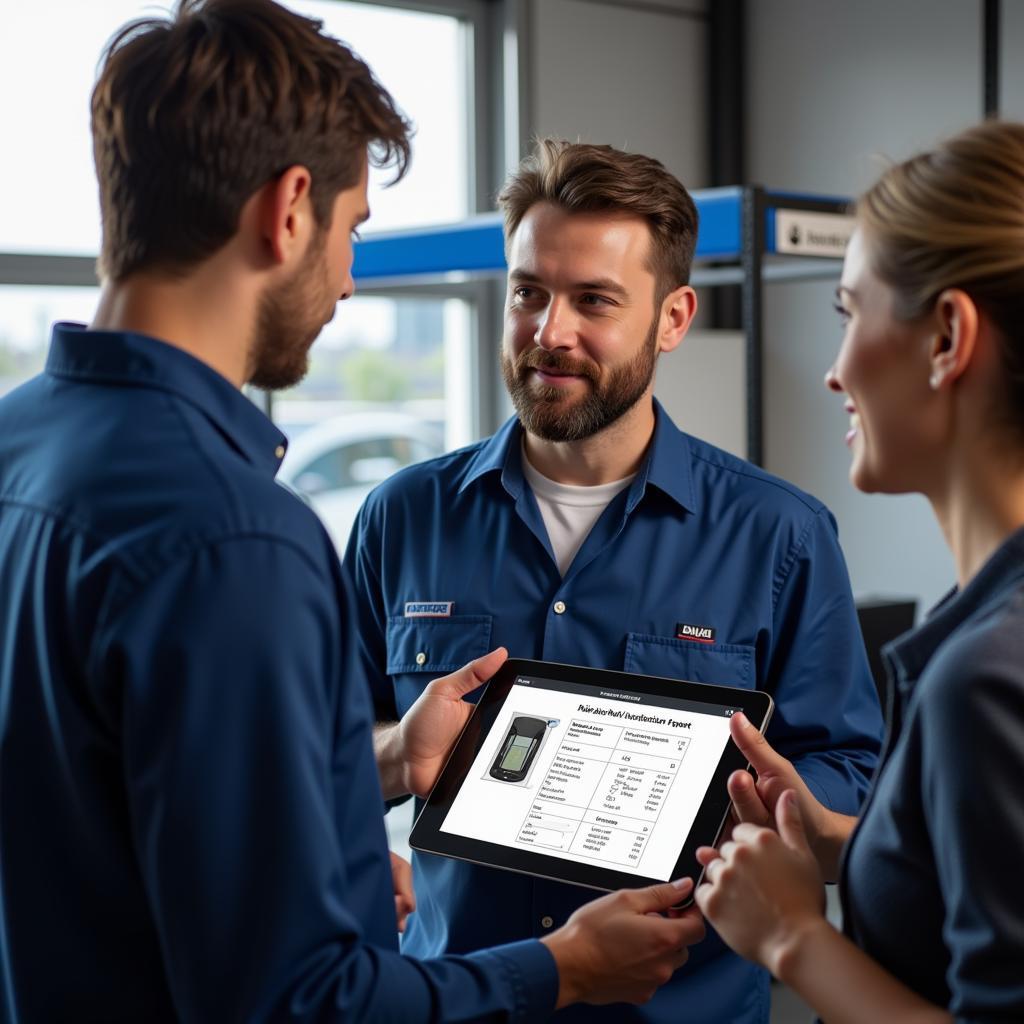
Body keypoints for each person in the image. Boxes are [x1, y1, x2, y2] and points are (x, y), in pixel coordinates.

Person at [0, 3, 707, 1020]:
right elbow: (301, 1001)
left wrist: (334, 828)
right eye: (352, 230)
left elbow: (97, 816)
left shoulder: (17, 445)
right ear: (290, 208)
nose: (344, 277)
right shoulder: (236, 538)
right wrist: (559, 968)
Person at [345, 139, 885, 1024]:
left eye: (594, 300)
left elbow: (850, 771)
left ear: (672, 319)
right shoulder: (400, 517)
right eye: (528, 292)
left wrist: (743, 805)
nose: (548, 331)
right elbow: (319, 761)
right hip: (460, 1002)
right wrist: (398, 761)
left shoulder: (778, 535)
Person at [695, 119, 1024, 1022]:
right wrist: (840, 840)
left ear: (947, 338)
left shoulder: (988, 676)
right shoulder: (985, 619)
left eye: (850, 314)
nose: (835, 374)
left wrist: (792, 937)